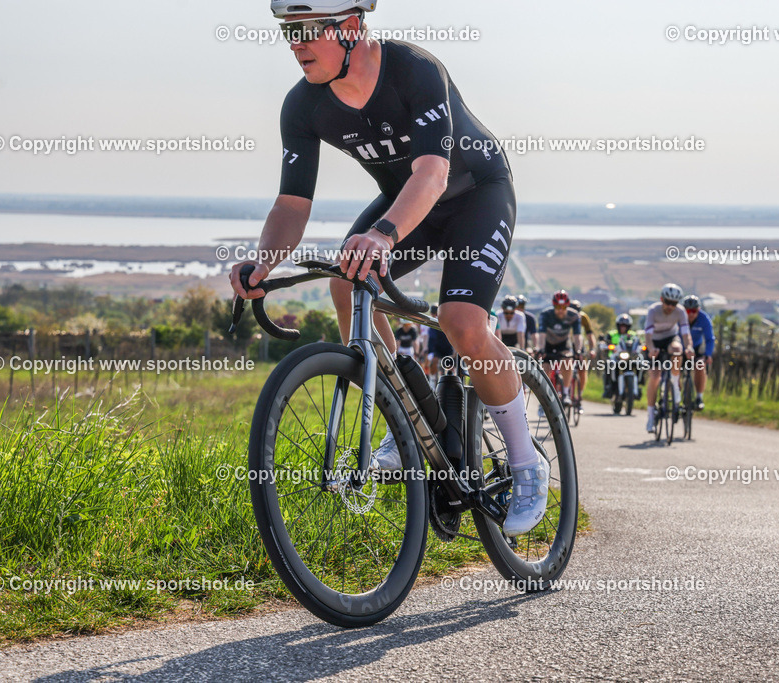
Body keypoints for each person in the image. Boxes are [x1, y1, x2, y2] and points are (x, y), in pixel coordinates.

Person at [229, 1, 547, 536]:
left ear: (351, 27)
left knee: (461, 322)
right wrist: (263, 264)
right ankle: (406, 413)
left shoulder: (414, 69)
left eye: (309, 29)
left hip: (474, 194)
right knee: (344, 283)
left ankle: (525, 464)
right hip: (407, 205)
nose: (296, 43)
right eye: (289, 32)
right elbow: (291, 205)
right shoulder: (303, 105)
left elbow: (433, 173)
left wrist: (382, 234)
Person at [643, 283, 694, 433]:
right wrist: (651, 349)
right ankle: (651, 416)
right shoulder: (653, 310)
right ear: (662, 299)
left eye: (674, 303)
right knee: (654, 377)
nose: (670, 306)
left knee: (677, 349)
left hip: (670, 338)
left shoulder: (680, 311)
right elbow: (648, 335)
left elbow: (686, 334)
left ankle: (675, 383)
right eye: (668, 302)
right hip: (654, 341)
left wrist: (689, 347)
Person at [536, 290, 581, 411]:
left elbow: (577, 336)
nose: (560, 310)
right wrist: (541, 349)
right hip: (548, 344)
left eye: (563, 307)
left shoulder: (574, 315)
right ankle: (544, 400)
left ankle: (566, 393)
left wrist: (578, 351)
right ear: (553, 305)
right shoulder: (546, 314)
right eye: (557, 307)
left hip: (563, 344)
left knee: (567, 362)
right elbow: (541, 334)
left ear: (567, 306)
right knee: (545, 370)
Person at [683, 295, 715, 411]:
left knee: (700, 366)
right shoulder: (679, 318)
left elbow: (710, 339)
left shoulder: (704, 319)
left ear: (698, 310)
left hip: (696, 349)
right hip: (680, 349)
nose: (691, 314)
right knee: (673, 367)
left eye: (694, 311)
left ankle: (699, 397)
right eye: (688, 311)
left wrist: (708, 354)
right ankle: (675, 394)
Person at [603, 313, 640, 399]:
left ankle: (638, 384)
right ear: (618, 326)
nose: (623, 328)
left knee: (641, 363)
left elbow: (638, 344)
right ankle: (608, 387)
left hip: (630, 358)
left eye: (625, 326)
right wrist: (607, 346)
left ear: (628, 327)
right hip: (615, 357)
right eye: (621, 326)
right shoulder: (612, 334)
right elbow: (605, 343)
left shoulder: (633, 335)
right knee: (608, 365)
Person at [568, 300, 595, 413]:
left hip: (579, 344)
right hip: (567, 344)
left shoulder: (583, 318)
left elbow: (590, 335)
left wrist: (592, 349)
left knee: (582, 369)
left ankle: (579, 397)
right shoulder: (565, 317)